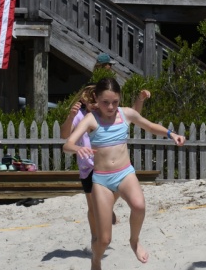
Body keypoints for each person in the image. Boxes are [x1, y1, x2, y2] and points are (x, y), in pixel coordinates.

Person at [63, 77, 185, 270]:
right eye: (105, 102)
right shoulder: (91, 119)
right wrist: (78, 148)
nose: (110, 107)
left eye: (115, 102)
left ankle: (134, 241)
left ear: (120, 99)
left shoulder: (126, 113)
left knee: (139, 206)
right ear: (96, 99)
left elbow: (149, 126)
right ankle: (96, 263)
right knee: (104, 239)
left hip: (124, 173)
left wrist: (171, 134)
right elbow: (67, 144)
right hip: (101, 180)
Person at [60, 85, 150, 249]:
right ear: (86, 102)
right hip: (89, 167)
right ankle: (95, 237)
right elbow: (64, 136)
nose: (97, 106)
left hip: (111, 167)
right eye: (93, 104)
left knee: (111, 198)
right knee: (92, 208)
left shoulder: (109, 113)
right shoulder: (82, 117)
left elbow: (132, 115)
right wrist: (70, 117)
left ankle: (106, 210)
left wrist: (140, 100)